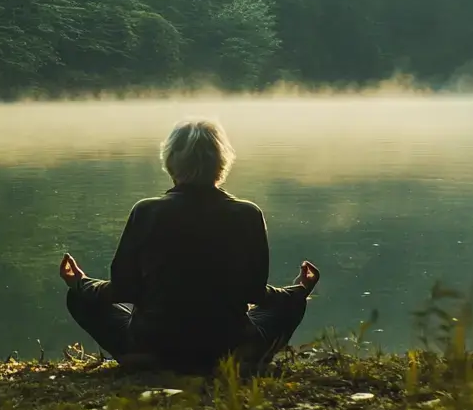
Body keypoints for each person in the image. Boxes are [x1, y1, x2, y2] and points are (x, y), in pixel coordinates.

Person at [59, 118, 320, 375]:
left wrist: (81, 283)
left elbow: (122, 289)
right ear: (222, 162)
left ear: (170, 161)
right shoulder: (248, 214)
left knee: (81, 299)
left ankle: (144, 357)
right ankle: (238, 358)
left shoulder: (146, 211)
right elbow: (256, 294)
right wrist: (297, 291)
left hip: (153, 341)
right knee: (290, 305)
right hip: (227, 343)